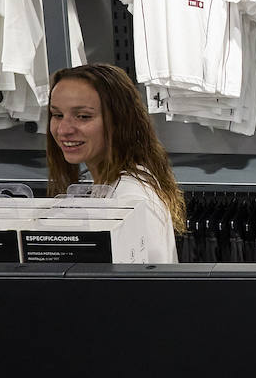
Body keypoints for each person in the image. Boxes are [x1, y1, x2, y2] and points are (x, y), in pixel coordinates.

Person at [46, 63, 184, 263]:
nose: (63, 130)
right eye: (57, 115)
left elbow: (147, 290)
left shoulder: (130, 198)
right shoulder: (110, 184)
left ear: (120, 121)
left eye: (83, 116)